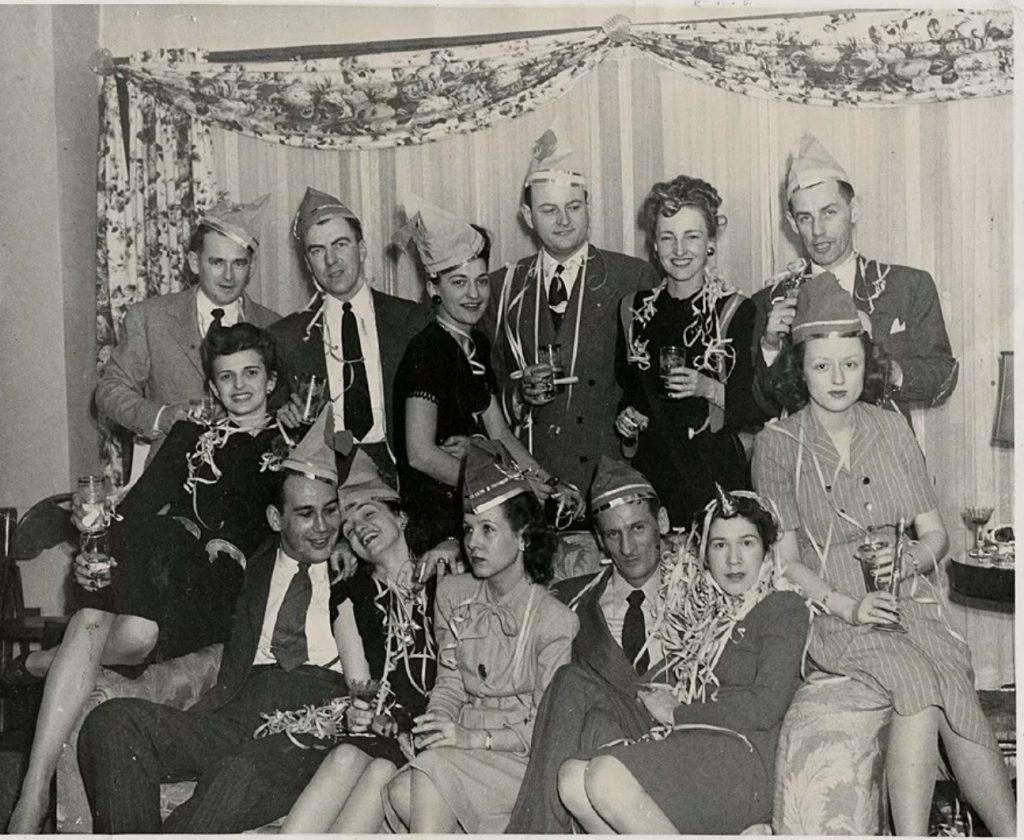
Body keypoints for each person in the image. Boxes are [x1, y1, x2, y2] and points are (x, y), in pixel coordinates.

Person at [752, 274, 1015, 836]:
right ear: (798, 369)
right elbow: (786, 564)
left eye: (849, 363)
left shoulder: (891, 428)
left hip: (909, 603)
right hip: (834, 612)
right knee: (914, 679)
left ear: (865, 363)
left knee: (956, 689)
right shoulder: (779, 445)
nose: (838, 378)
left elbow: (936, 536)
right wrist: (849, 607)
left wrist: (912, 560)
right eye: (821, 366)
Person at [7, 321, 285, 833]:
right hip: (156, 568)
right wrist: (99, 542)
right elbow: (135, 512)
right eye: (226, 377)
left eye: (251, 373)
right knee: (105, 613)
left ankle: (45, 659)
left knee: (122, 627)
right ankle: (30, 798)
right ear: (212, 386)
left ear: (271, 380)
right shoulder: (188, 435)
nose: (240, 386)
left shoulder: (286, 447)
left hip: (215, 588)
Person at [76, 434, 353, 833]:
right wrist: (96, 576)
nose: (323, 527)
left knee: (239, 772)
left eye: (331, 511)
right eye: (306, 514)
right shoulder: (249, 567)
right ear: (276, 520)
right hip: (238, 713)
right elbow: (166, 590)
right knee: (112, 721)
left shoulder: (356, 566)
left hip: (311, 723)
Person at [557, 487, 809, 834]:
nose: (733, 559)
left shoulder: (783, 608)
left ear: (767, 553)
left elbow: (765, 706)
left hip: (742, 761)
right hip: (694, 749)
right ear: (705, 555)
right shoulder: (705, 614)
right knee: (571, 779)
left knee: (604, 776)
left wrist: (677, 713)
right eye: (720, 545)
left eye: (747, 543)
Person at [382, 439, 579, 833]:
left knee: (429, 777)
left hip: (520, 757)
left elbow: (546, 725)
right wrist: (435, 725)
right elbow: (450, 681)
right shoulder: (455, 594)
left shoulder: (554, 620)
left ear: (523, 536)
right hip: (461, 744)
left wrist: (474, 739)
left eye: (489, 529)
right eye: (469, 529)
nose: (473, 543)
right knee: (401, 790)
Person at [393, 196, 581, 551]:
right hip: (439, 523)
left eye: (481, 281)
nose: (474, 294)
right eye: (459, 283)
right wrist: (509, 485)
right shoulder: (427, 350)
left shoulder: (475, 342)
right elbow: (420, 454)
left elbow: (501, 434)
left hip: (480, 512)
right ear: (434, 288)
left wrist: (549, 482)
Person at [506, 455, 680, 833]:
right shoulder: (568, 600)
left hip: (676, 746)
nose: (628, 546)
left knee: (572, 681)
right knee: (581, 701)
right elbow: (501, 591)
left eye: (638, 528)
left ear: (662, 522)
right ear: (600, 541)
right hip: (605, 756)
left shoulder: (702, 590)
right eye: (613, 535)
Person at [490, 124, 657, 493]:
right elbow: (486, 384)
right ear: (527, 215)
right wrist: (518, 395)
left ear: (589, 208)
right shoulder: (503, 287)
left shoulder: (632, 277)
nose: (563, 221)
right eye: (549, 210)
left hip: (611, 475)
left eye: (573, 207)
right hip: (535, 477)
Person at [751, 132, 957, 422]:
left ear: (854, 209)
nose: (818, 231)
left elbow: (942, 380)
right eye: (805, 217)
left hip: (887, 459)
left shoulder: (907, 286)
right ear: (792, 224)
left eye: (829, 212)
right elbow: (761, 405)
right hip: (807, 460)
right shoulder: (771, 302)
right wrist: (770, 346)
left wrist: (885, 368)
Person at [280, 457, 437, 834]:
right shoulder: (350, 594)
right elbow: (361, 688)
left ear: (400, 518)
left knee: (382, 768)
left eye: (368, 514)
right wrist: (362, 715)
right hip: (389, 726)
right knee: (349, 755)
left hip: (439, 726)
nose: (358, 530)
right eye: (348, 529)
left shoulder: (444, 577)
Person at [95, 195, 279, 475]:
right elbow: (109, 392)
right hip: (171, 478)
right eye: (217, 262)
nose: (228, 276)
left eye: (239, 263)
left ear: (251, 267)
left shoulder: (274, 326)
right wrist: (161, 416)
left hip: (251, 477)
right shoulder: (149, 318)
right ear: (194, 262)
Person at [615, 175, 758, 527]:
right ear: (653, 244)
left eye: (692, 236)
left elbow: (756, 409)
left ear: (711, 241)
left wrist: (706, 387)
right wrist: (626, 420)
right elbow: (628, 392)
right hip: (651, 486)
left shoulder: (736, 310)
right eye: (668, 237)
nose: (679, 250)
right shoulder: (633, 309)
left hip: (716, 482)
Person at [269, 187, 430, 485]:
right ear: (307, 264)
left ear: (362, 249)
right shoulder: (286, 336)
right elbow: (272, 419)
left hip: (404, 473)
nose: (331, 261)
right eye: (317, 251)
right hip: (325, 475)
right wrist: (283, 416)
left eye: (340, 244)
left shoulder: (412, 321)